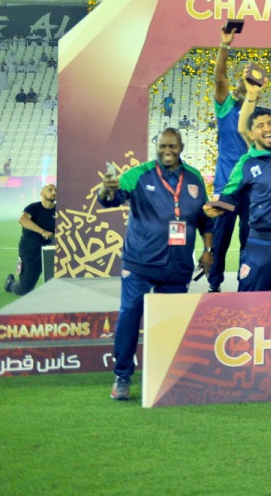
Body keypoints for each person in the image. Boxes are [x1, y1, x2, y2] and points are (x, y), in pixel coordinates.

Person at [98, 130, 211, 401]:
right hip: (139, 263)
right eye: (162, 146)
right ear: (156, 147)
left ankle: (165, 376)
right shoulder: (138, 174)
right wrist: (107, 189)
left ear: (181, 146)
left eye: (172, 145)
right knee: (129, 315)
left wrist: (209, 251)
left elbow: (205, 219)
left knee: (170, 323)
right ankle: (122, 376)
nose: (167, 150)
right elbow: (110, 199)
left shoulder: (194, 178)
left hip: (177, 265)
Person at [207, 80, 271, 292]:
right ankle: (214, 282)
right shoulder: (246, 162)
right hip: (261, 245)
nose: (268, 128)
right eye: (260, 125)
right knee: (252, 307)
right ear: (250, 134)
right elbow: (229, 198)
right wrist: (218, 205)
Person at [207, 25, 252, 292]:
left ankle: (245, 287)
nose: (248, 82)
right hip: (226, 190)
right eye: (244, 79)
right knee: (220, 241)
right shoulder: (227, 107)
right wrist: (225, 45)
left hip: (253, 191)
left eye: (253, 79)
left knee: (249, 242)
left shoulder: (262, 115)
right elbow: (219, 80)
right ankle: (214, 287)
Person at [4, 183, 57, 296]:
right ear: (42, 193)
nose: (53, 192)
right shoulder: (33, 208)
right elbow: (23, 220)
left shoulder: (59, 210)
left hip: (49, 250)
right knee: (25, 289)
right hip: (29, 250)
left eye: (55, 190)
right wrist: (43, 232)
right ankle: (10, 284)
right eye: (50, 190)